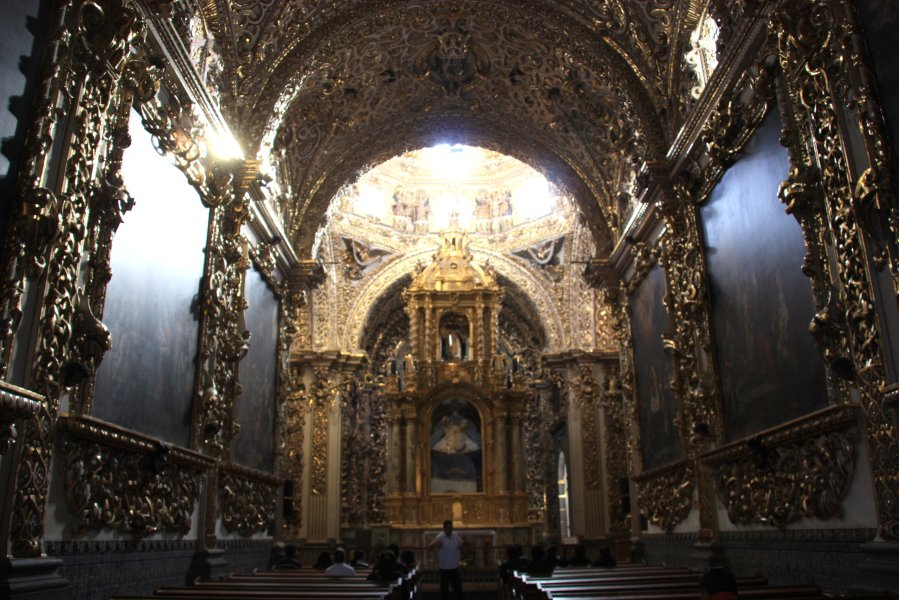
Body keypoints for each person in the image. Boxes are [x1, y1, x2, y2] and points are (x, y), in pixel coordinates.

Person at [429, 519, 464, 600]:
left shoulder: (455, 535)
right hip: (444, 568)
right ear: (444, 528)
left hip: (454, 567)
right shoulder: (440, 537)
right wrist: (436, 544)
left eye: (451, 528)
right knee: (444, 590)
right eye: (448, 528)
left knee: (458, 589)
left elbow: (461, 543)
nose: (450, 530)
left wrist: (461, 546)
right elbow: (430, 547)